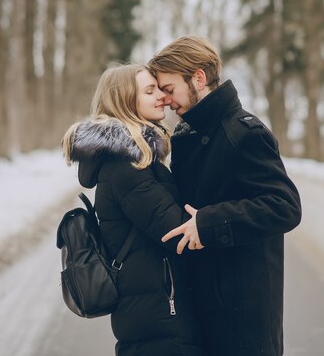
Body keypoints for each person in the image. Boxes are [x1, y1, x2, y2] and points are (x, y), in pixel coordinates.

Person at [147, 36, 302, 356]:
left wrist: (208, 223)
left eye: (169, 88)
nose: (165, 100)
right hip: (201, 304)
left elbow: (285, 206)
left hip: (242, 315)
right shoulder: (186, 134)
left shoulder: (244, 132)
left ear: (198, 79)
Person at [62, 64, 208, 356]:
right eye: (149, 91)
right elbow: (175, 230)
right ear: (126, 100)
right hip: (159, 319)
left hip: (153, 312)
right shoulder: (126, 165)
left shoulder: (136, 159)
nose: (162, 98)